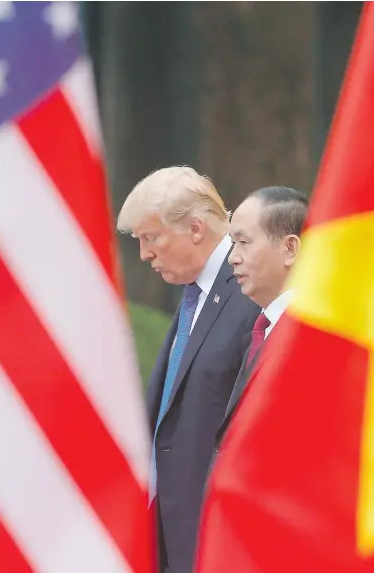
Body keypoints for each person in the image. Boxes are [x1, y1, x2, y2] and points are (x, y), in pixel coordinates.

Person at [117, 166, 260, 573]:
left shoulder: (250, 288)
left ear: (196, 228)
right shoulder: (195, 292)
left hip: (215, 540)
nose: (144, 254)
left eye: (152, 238)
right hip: (171, 538)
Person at [213, 186, 307, 454]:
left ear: (290, 248)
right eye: (232, 244)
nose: (233, 258)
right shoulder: (262, 328)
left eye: (244, 242)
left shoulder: (312, 337)